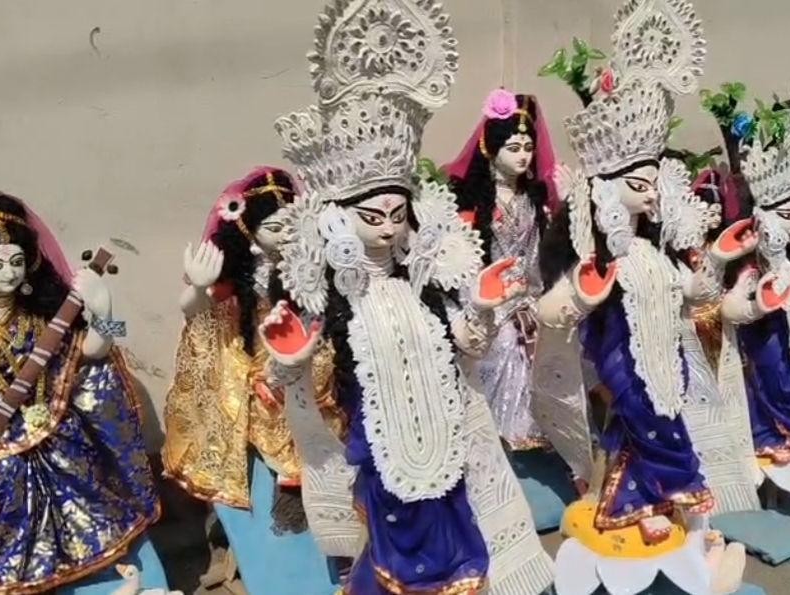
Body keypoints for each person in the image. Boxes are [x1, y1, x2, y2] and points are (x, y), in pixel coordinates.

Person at [254, 0, 557, 593]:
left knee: (455, 541)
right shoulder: (328, 293)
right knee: (395, 550)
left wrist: (482, 307)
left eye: (397, 215)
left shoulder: (427, 278)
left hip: (446, 434)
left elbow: (466, 348)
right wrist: (291, 359)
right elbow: (288, 378)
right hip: (380, 440)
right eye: (373, 217)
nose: (389, 229)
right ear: (340, 220)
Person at [536, 0, 750, 592]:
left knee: (649, 434)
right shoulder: (594, 248)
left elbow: (694, 297)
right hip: (622, 367)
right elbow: (552, 309)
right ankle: (670, 522)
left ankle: (648, 515)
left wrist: (718, 258)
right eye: (639, 183)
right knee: (657, 432)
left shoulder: (655, 250)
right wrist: (582, 292)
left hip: (667, 365)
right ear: (607, 188)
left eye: (654, 182)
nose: (651, 193)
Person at [161, 167, 340, 594]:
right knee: (263, 493)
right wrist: (199, 288)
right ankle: (275, 571)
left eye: (292, 226)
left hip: (308, 389)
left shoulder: (310, 271)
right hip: (255, 398)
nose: (286, 235)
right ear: (248, 230)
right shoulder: (237, 281)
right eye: (275, 228)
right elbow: (196, 315)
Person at [0, 193, 164, 593]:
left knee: (93, 521)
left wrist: (105, 312)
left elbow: (96, 349)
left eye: (16, 262)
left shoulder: (40, 316)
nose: (8, 274)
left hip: (61, 441)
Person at [444, 90, 593, 505]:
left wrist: (571, 205)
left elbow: (551, 254)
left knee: (560, 342)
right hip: (491, 301)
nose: (524, 155)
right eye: (514, 147)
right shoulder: (471, 205)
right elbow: (464, 265)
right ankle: (505, 441)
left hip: (531, 295)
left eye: (528, 147)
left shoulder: (535, 199)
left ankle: (561, 444)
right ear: (490, 149)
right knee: (506, 342)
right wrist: (489, 301)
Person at [713, 58, 790, 504]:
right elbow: (728, 308)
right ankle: (766, 446)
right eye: (786, 216)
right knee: (766, 381)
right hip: (761, 344)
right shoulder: (750, 266)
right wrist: (756, 305)